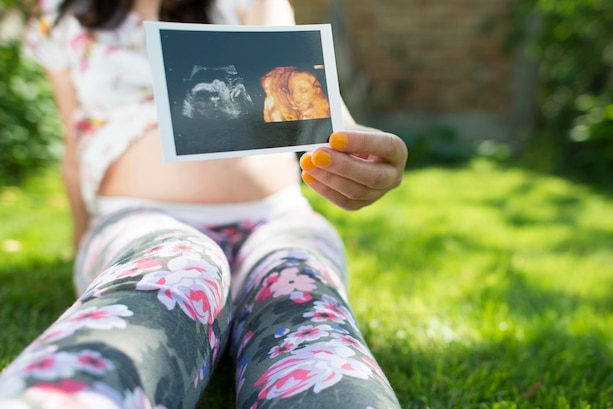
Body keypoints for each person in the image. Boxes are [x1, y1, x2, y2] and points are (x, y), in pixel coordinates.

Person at [0, 0, 407, 408]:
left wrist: (358, 151)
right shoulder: (61, 14)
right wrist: (83, 245)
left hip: (276, 218)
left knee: (302, 295)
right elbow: (76, 143)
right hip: (141, 220)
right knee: (178, 269)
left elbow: (319, 109)